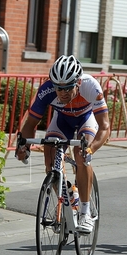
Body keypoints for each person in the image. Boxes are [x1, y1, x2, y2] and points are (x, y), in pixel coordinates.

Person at [16, 55, 110, 233]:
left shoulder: (91, 86)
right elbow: (30, 124)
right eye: (59, 88)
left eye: (68, 87)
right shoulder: (46, 90)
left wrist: (91, 149)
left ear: (78, 82)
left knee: (81, 156)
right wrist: (23, 147)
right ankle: (69, 193)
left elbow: (105, 126)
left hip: (86, 119)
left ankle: (85, 212)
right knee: (50, 160)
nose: (63, 92)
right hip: (62, 121)